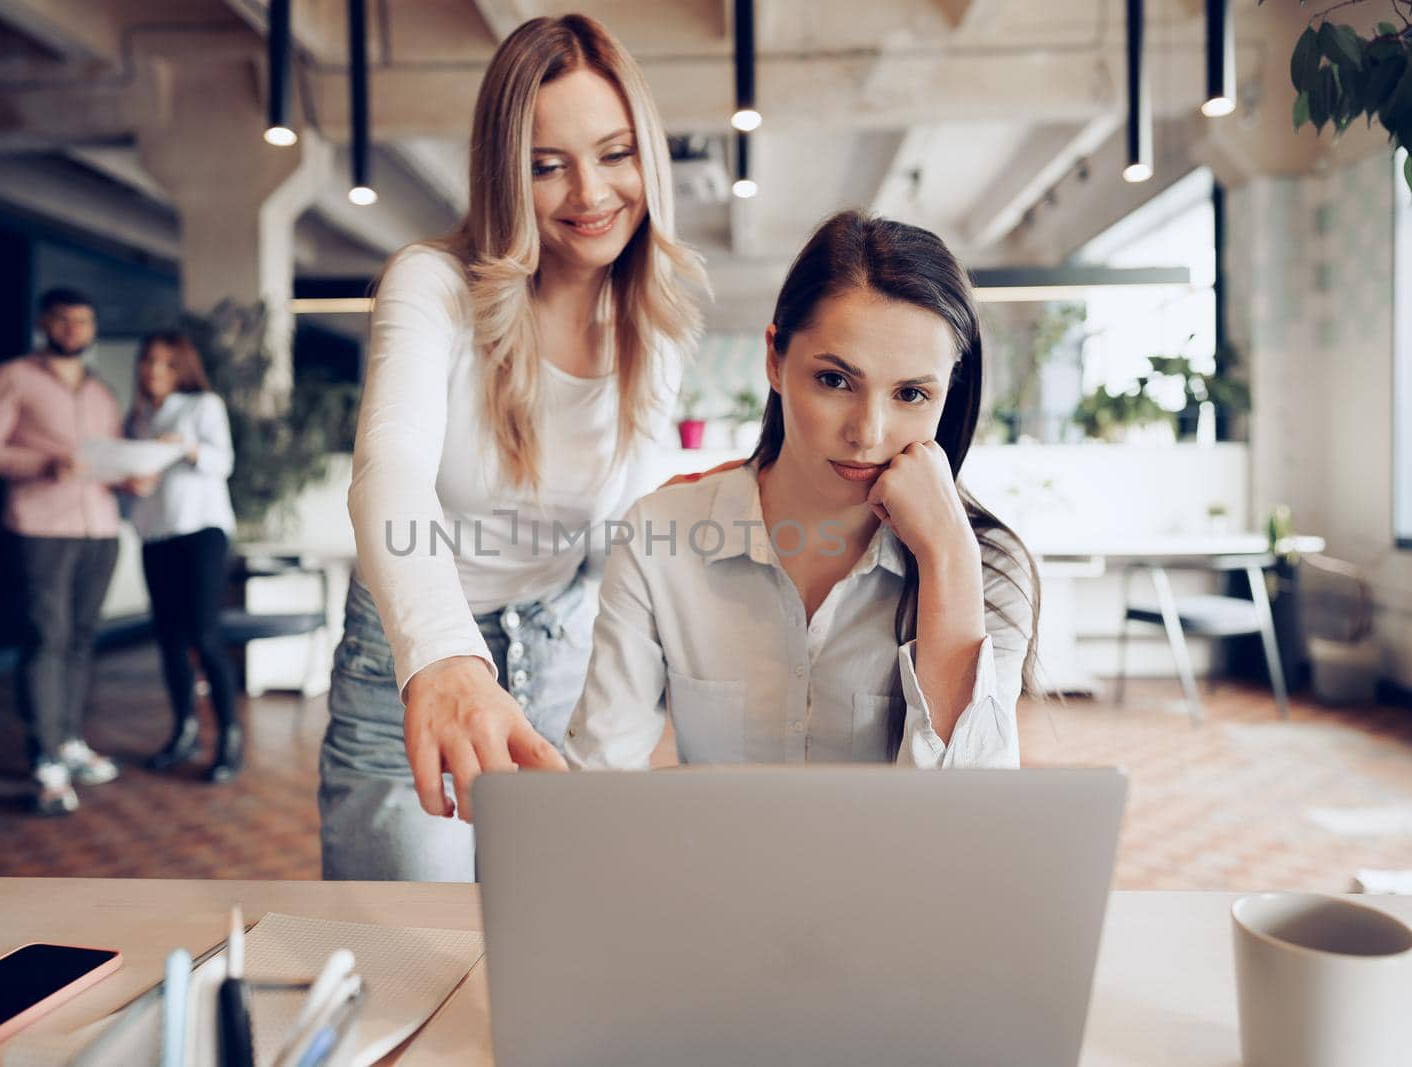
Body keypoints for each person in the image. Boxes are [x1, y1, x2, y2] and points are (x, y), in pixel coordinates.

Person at [320, 13, 706, 881]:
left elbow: (631, 531)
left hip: (563, 654)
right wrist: (447, 661)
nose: (591, 192)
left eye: (615, 153)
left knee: (561, 938)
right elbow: (389, 476)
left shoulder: (657, 323)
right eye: (546, 165)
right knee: (413, 953)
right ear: (505, 173)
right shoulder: (433, 286)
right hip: (414, 662)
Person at [563, 211, 1040, 770]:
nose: (868, 433)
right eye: (835, 380)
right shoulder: (660, 534)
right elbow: (599, 771)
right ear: (775, 358)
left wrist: (948, 560)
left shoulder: (988, 568)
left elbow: (971, 819)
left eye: (911, 394)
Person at [0, 287, 125, 815]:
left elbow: (111, 455)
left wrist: (130, 473)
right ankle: (44, 755)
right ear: (45, 324)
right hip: (41, 526)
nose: (75, 329)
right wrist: (43, 465)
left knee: (79, 639)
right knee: (44, 638)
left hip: (99, 527)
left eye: (84, 320)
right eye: (65, 320)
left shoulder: (101, 392)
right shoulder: (11, 377)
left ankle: (69, 740)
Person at [124, 331, 242, 783]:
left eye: (166, 363)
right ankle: (184, 733)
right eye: (149, 361)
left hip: (201, 532)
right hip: (156, 534)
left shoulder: (202, 406)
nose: (154, 370)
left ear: (182, 368)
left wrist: (187, 447)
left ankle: (229, 739)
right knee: (169, 639)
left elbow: (223, 461)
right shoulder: (137, 416)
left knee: (204, 635)